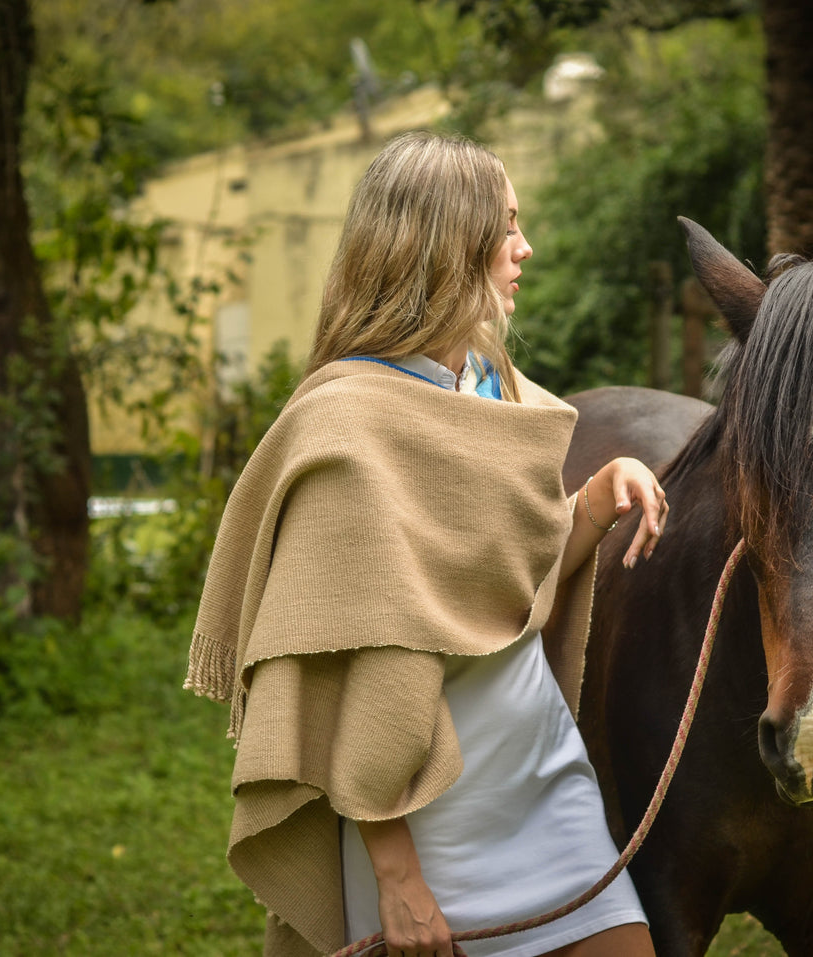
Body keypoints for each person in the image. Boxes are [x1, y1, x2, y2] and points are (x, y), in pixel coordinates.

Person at [185, 130, 669, 957]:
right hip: (423, 820)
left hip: (545, 786)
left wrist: (590, 501)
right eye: (506, 227)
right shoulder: (346, 427)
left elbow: (497, 591)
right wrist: (398, 878)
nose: (525, 247)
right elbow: (345, 677)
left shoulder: (495, 389)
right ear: (446, 247)